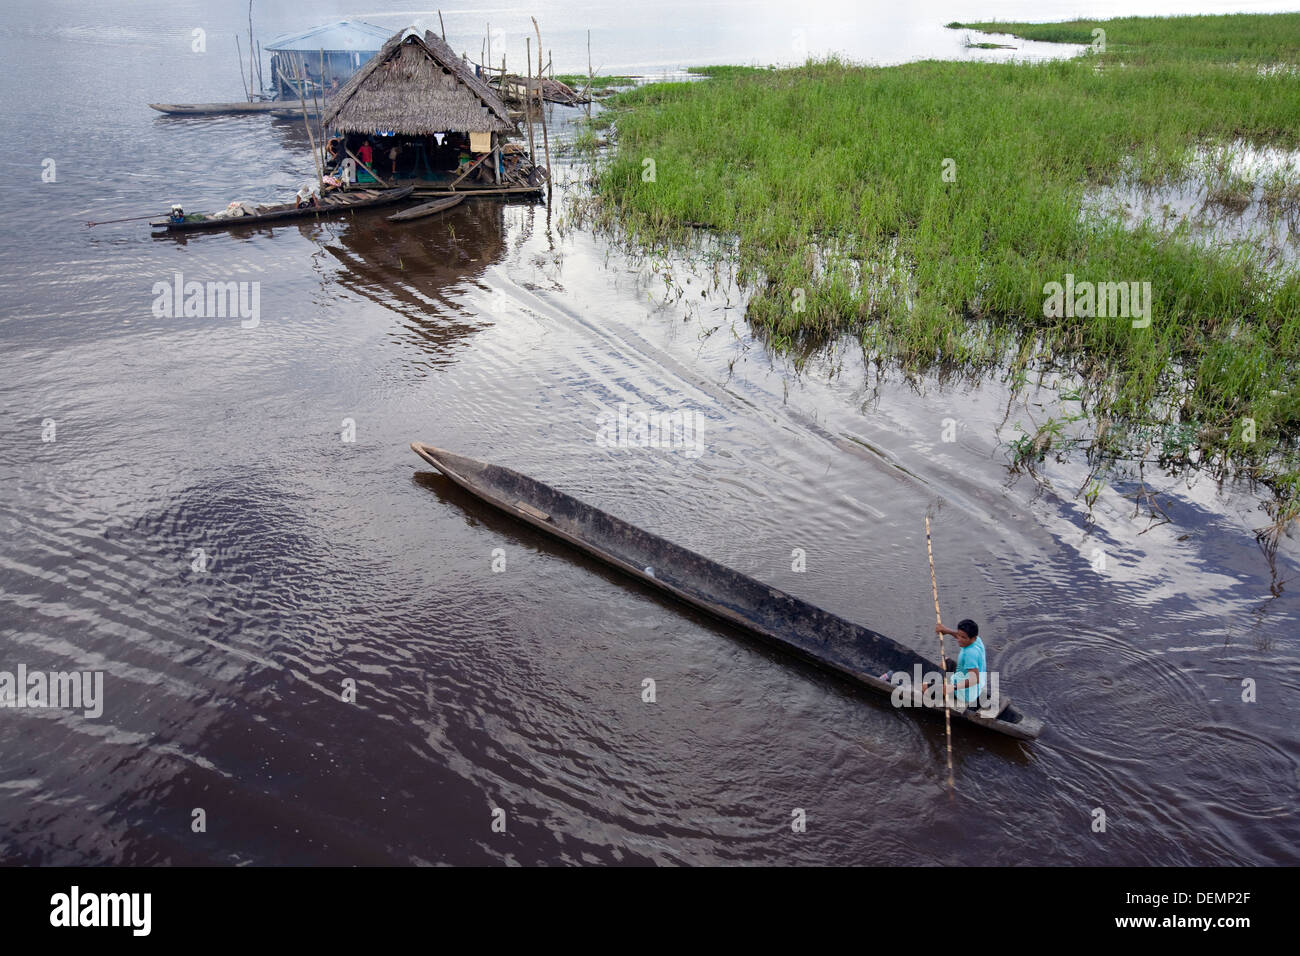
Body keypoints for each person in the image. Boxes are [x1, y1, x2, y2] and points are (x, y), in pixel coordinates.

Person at [937, 619, 986, 707]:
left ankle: (940, 690)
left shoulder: (969, 653)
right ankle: (939, 685)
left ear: (973, 638)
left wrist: (952, 687)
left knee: (924, 688)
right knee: (946, 661)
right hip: (978, 687)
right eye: (959, 636)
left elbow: (974, 679)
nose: (959, 639)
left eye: (963, 638)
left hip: (966, 695)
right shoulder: (977, 640)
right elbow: (961, 635)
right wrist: (946, 630)